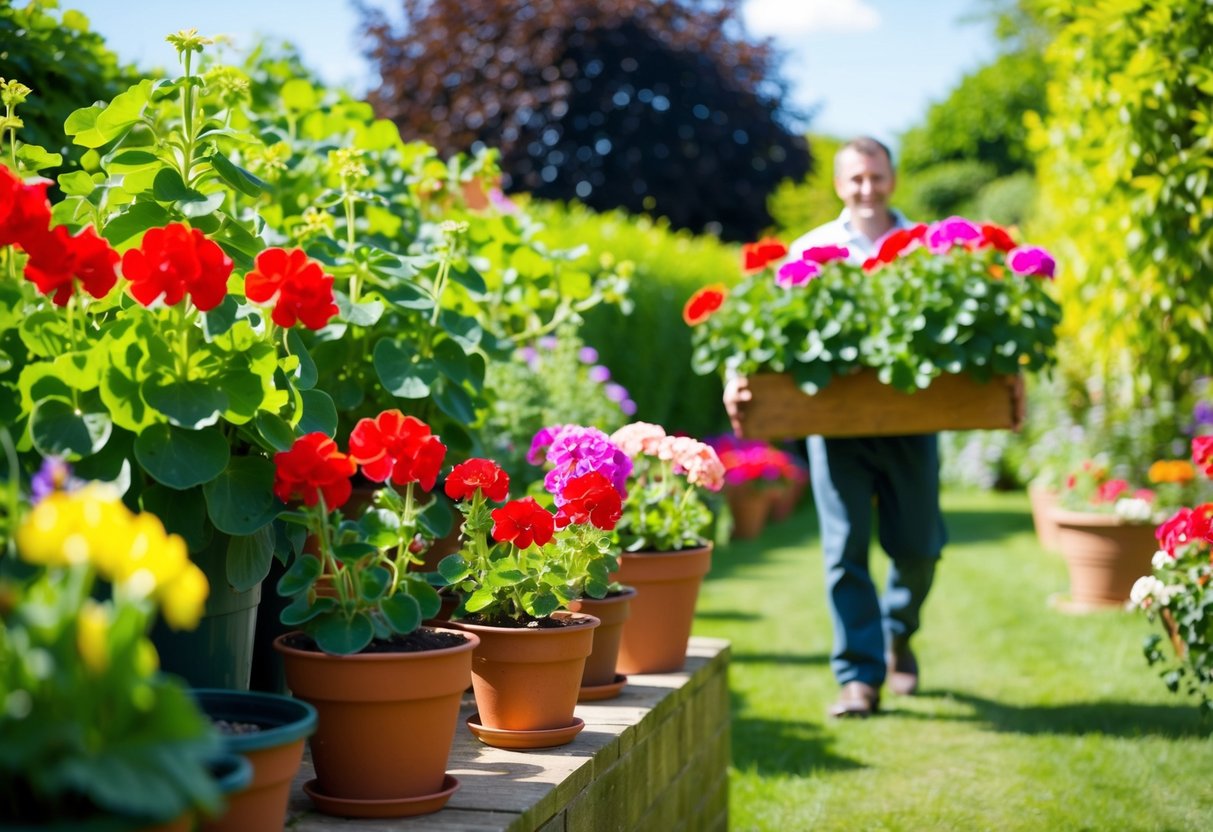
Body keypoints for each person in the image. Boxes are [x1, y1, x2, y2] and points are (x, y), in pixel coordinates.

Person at [724, 137, 945, 719]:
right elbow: (760, 322)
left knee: (920, 548)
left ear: (892, 179)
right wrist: (736, 373)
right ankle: (858, 677)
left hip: (911, 420)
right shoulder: (813, 248)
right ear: (840, 185)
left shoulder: (925, 246)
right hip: (832, 424)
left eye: (876, 177)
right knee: (844, 548)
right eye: (856, 180)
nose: (867, 188)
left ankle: (900, 631)